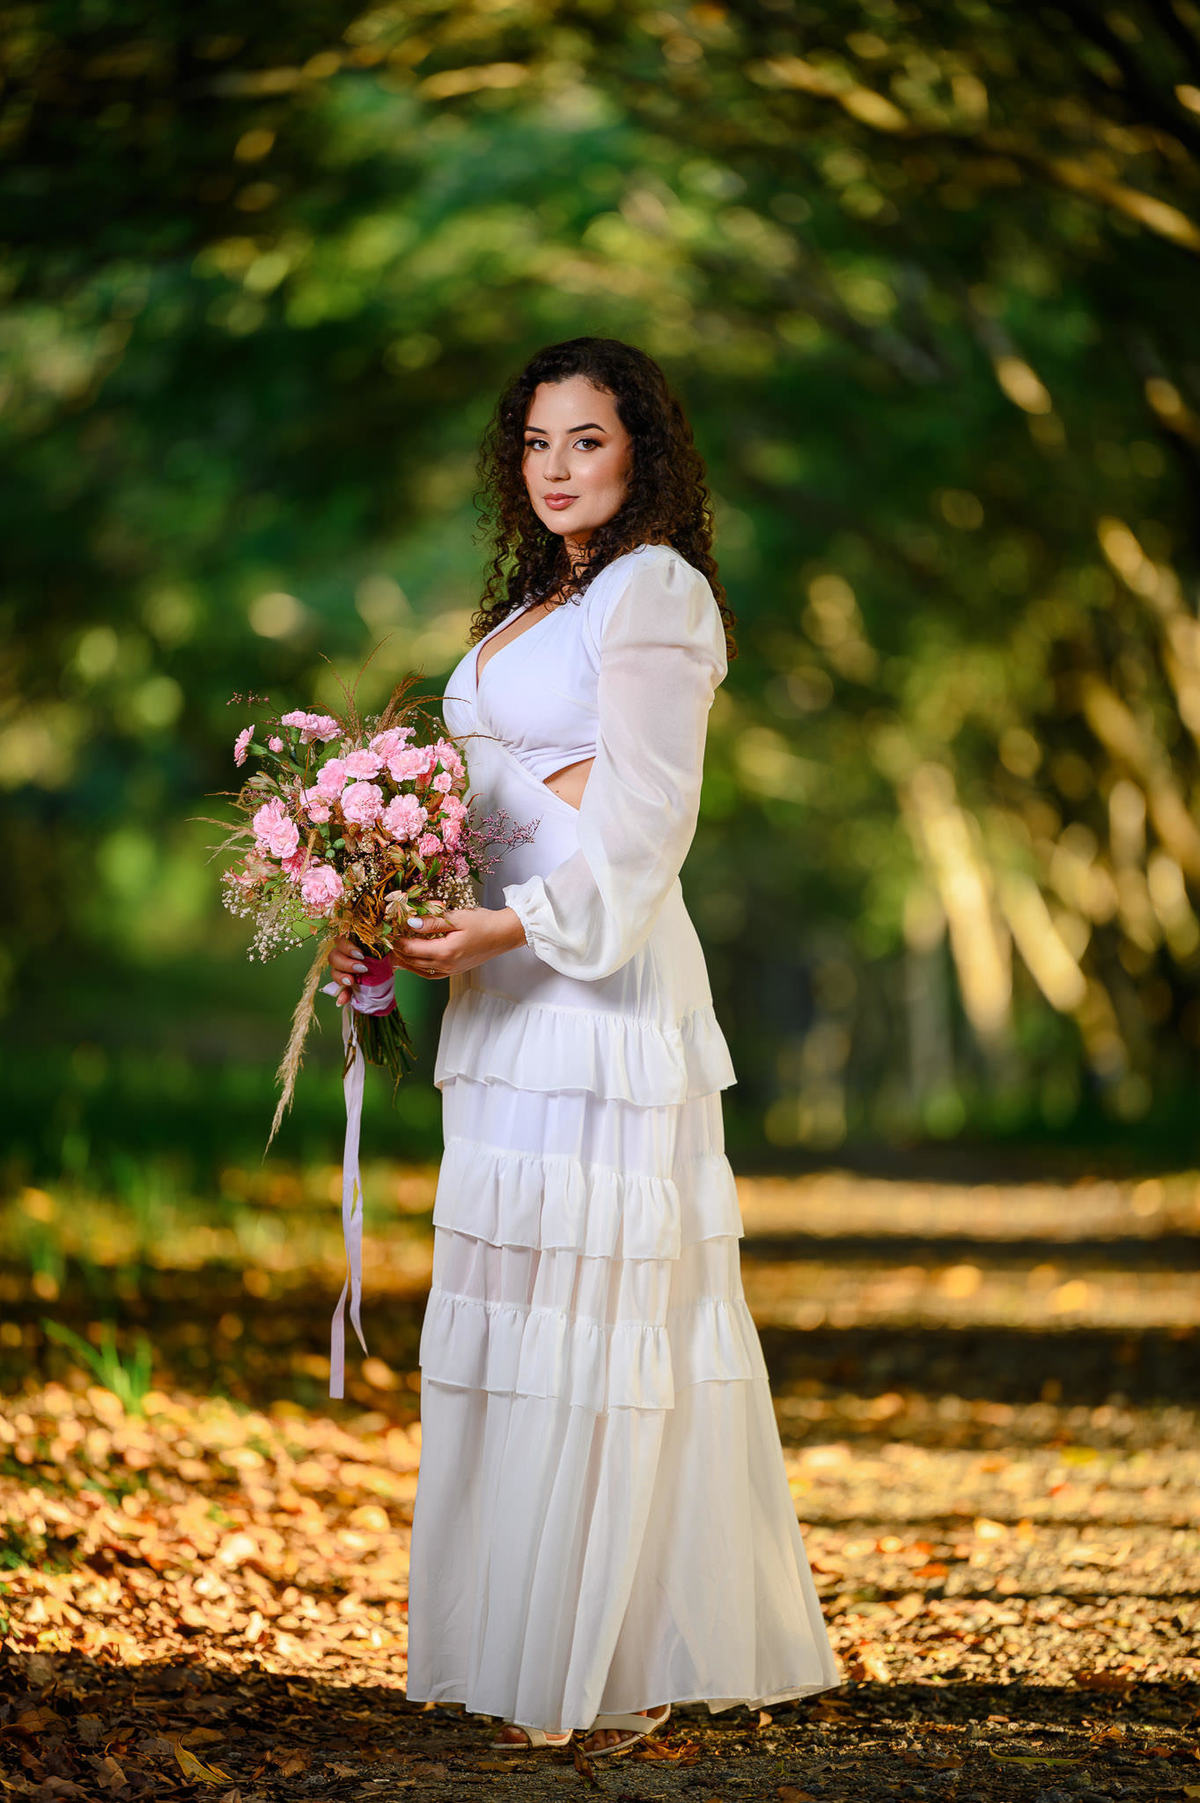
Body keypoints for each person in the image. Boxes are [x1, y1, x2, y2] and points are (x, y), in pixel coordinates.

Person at [327, 336, 842, 1757]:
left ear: (645, 455)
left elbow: (647, 822)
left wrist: (510, 925)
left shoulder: (655, 591)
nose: (556, 469)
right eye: (537, 445)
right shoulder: (533, 602)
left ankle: (614, 1658)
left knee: (607, 1313)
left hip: (594, 988)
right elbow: (498, 788)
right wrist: (381, 901)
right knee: (515, 1304)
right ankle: (519, 1644)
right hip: (503, 1002)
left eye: (588, 442)